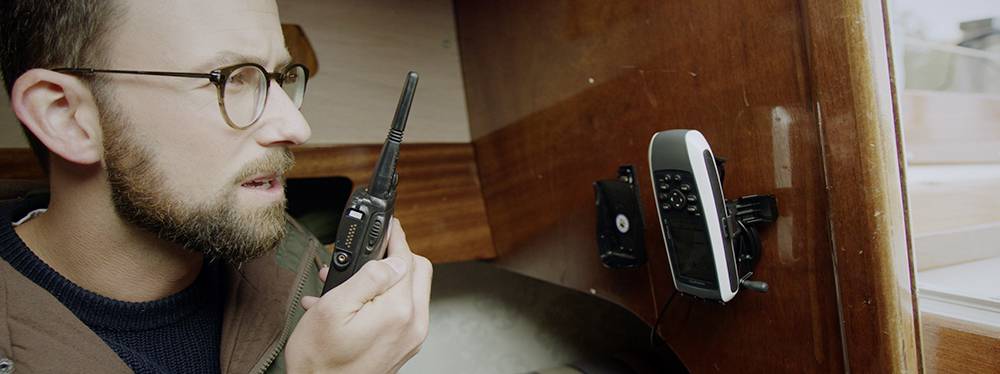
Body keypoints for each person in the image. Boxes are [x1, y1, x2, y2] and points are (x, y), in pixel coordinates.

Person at [0, 0, 433, 373]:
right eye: (231, 79)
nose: (297, 127)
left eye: (280, 78)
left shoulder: (309, 279)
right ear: (65, 115)